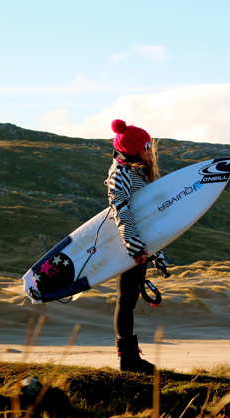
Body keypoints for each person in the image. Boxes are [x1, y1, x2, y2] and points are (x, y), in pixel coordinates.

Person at [105, 119, 169, 373]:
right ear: (133, 149)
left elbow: (148, 218)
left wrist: (156, 253)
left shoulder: (136, 172)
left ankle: (130, 358)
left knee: (129, 300)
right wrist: (134, 247)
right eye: (146, 145)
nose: (150, 150)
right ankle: (128, 359)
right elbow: (120, 210)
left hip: (140, 245)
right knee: (126, 300)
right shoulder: (119, 174)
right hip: (129, 246)